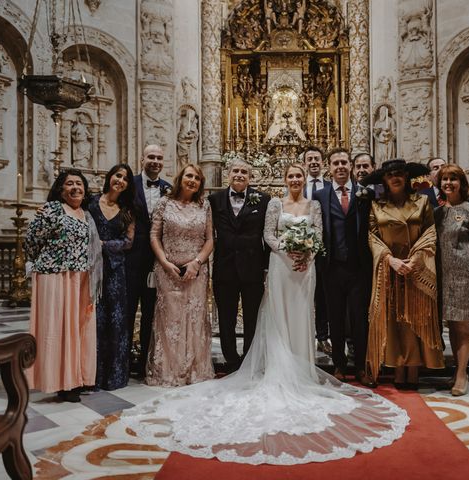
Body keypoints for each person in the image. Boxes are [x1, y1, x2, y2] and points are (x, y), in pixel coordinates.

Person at [121, 164, 409, 465]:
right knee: (267, 318)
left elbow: (318, 233)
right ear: (284, 179)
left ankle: (302, 369)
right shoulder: (258, 202)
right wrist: (287, 250)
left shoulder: (311, 204)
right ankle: (240, 364)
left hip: (302, 268)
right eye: (291, 175)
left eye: (299, 175)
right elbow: (269, 235)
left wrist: (306, 253)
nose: (295, 179)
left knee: (301, 317)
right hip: (277, 266)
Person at [365, 159, 445, 389]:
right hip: (390, 269)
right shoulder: (376, 205)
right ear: (384, 180)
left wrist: (416, 258)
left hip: (417, 268)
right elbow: (372, 237)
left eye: (400, 174)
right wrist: (390, 260)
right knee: (395, 320)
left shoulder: (422, 202)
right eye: (391, 175)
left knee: (417, 319)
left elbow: (431, 232)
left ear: (407, 177)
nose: (396, 178)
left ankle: (414, 369)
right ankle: (398, 367)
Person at [24, 169, 102, 402]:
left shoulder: (86, 215)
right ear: (61, 189)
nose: (76, 187)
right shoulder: (52, 209)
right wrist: (50, 262)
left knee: (78, 329)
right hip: (54, 277)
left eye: (79, 183)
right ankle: (59, 382)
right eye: (70, 184)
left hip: (81, 278)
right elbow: (31, 241)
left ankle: (75, 379)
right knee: (56, 330)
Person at [146, 163, 214, 386]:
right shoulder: (164, 203)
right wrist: (164, 262)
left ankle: (193, 369)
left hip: (196, 270)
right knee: (170, 319)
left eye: (196, 178)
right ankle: (168, 370)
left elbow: (210, 239)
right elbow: (154, 235)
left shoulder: (204, 206)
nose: (192, 180)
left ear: (200, 184)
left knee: (194, 318)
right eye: (189, 176)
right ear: (180, 178)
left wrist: (197, 262)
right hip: (168, 270)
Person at [313, 147, 375, 387]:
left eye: (344, 162)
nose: (340, 166)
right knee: (335, 317)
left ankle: (360, 365)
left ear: (350, 166)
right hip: (331, 267)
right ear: (329, 167)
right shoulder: (320, 195)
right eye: (335, 163)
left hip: (359, 267)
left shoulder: (365, 193)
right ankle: (339, 364)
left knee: (360, 318)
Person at [209, 159, 270, 372]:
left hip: (252, 268)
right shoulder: (214, 200)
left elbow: (268, 235)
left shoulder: (263, 200)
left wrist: (267, 268)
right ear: (228, 173)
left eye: (244, 171)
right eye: (235, 170)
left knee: (252, 317)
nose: (239, 174)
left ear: (250, 177)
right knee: (226, 317)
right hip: (224, 268)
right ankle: (231, 360)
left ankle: (249, 358)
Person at [435, 165, 469, 396]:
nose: (448, 183)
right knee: (452, 326)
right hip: (443, 275)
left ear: (462, 183)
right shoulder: (437, 212)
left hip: (465, 274)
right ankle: (458, 369)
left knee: (463, 327)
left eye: (453, 179)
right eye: (444, 179)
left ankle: (461, 375)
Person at [88, 164, 136, 391]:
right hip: (92, 269)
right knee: (94, 320)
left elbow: (128, 242)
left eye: (125, 178)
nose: (121, 181)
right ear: (109, 177)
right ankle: (92, 376)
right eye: (118, 175)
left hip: (116, 271)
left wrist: (103, 245)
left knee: (115, 321)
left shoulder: (126, 210)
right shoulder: (91, 204)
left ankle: (114, 376)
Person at [126, 144, 172, 378]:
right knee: (126, 312)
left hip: (158, 261)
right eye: (151, 157)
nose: (155, 161)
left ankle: (144, 362)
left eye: (159, 158)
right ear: (142, 158)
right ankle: (122, 364)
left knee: (151, 314)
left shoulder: (168, 189)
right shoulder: (129, 184)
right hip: (131, 259)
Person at [302, 146, 331, 355]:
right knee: (301, 295)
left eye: (317, 159)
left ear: (323, 163)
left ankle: (322, 337)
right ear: (304, 163)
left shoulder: (330, 188)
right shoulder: (296, 186)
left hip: (324, 250)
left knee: (322, 295)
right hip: (299, 250)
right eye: (309, 159)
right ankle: (301, 338)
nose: (313, 162)